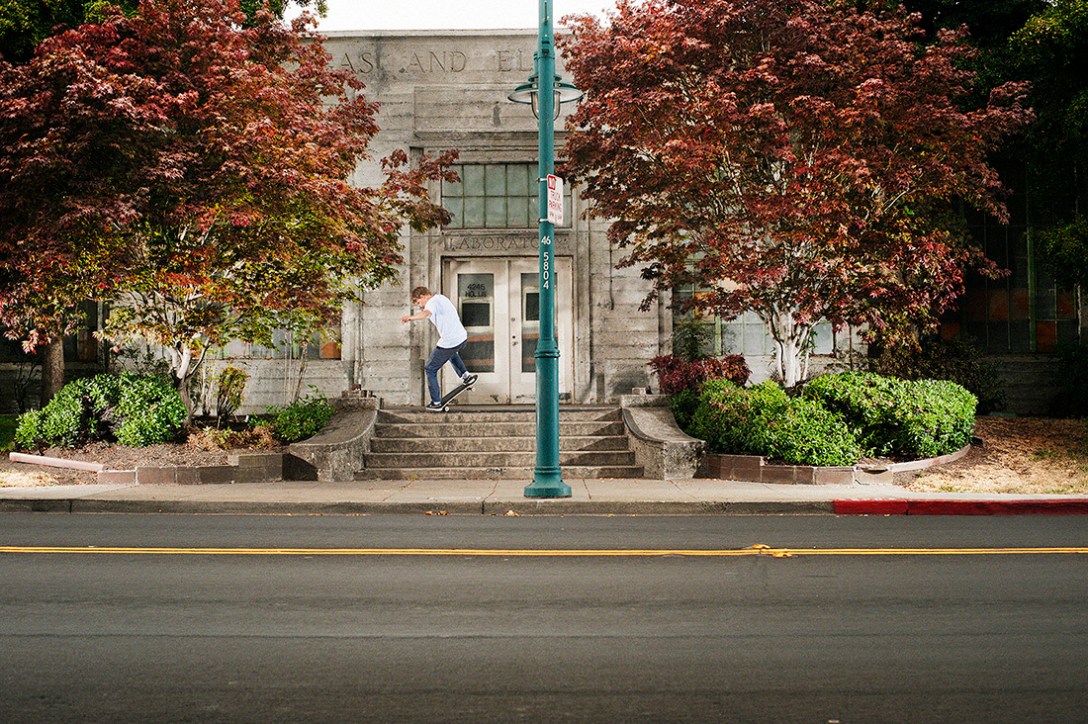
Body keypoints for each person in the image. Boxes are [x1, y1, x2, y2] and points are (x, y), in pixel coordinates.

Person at [401, 286, 478, 410]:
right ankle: (466, 375)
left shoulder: (431, 302)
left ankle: (436, 403)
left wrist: (410, 318)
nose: (421, 306)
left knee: (430, 369)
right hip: (461, 337)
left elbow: (426, 313)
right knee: (451, 354)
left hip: (450, 340)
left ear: (423, 296)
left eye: (419, 303)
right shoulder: (441, 298)